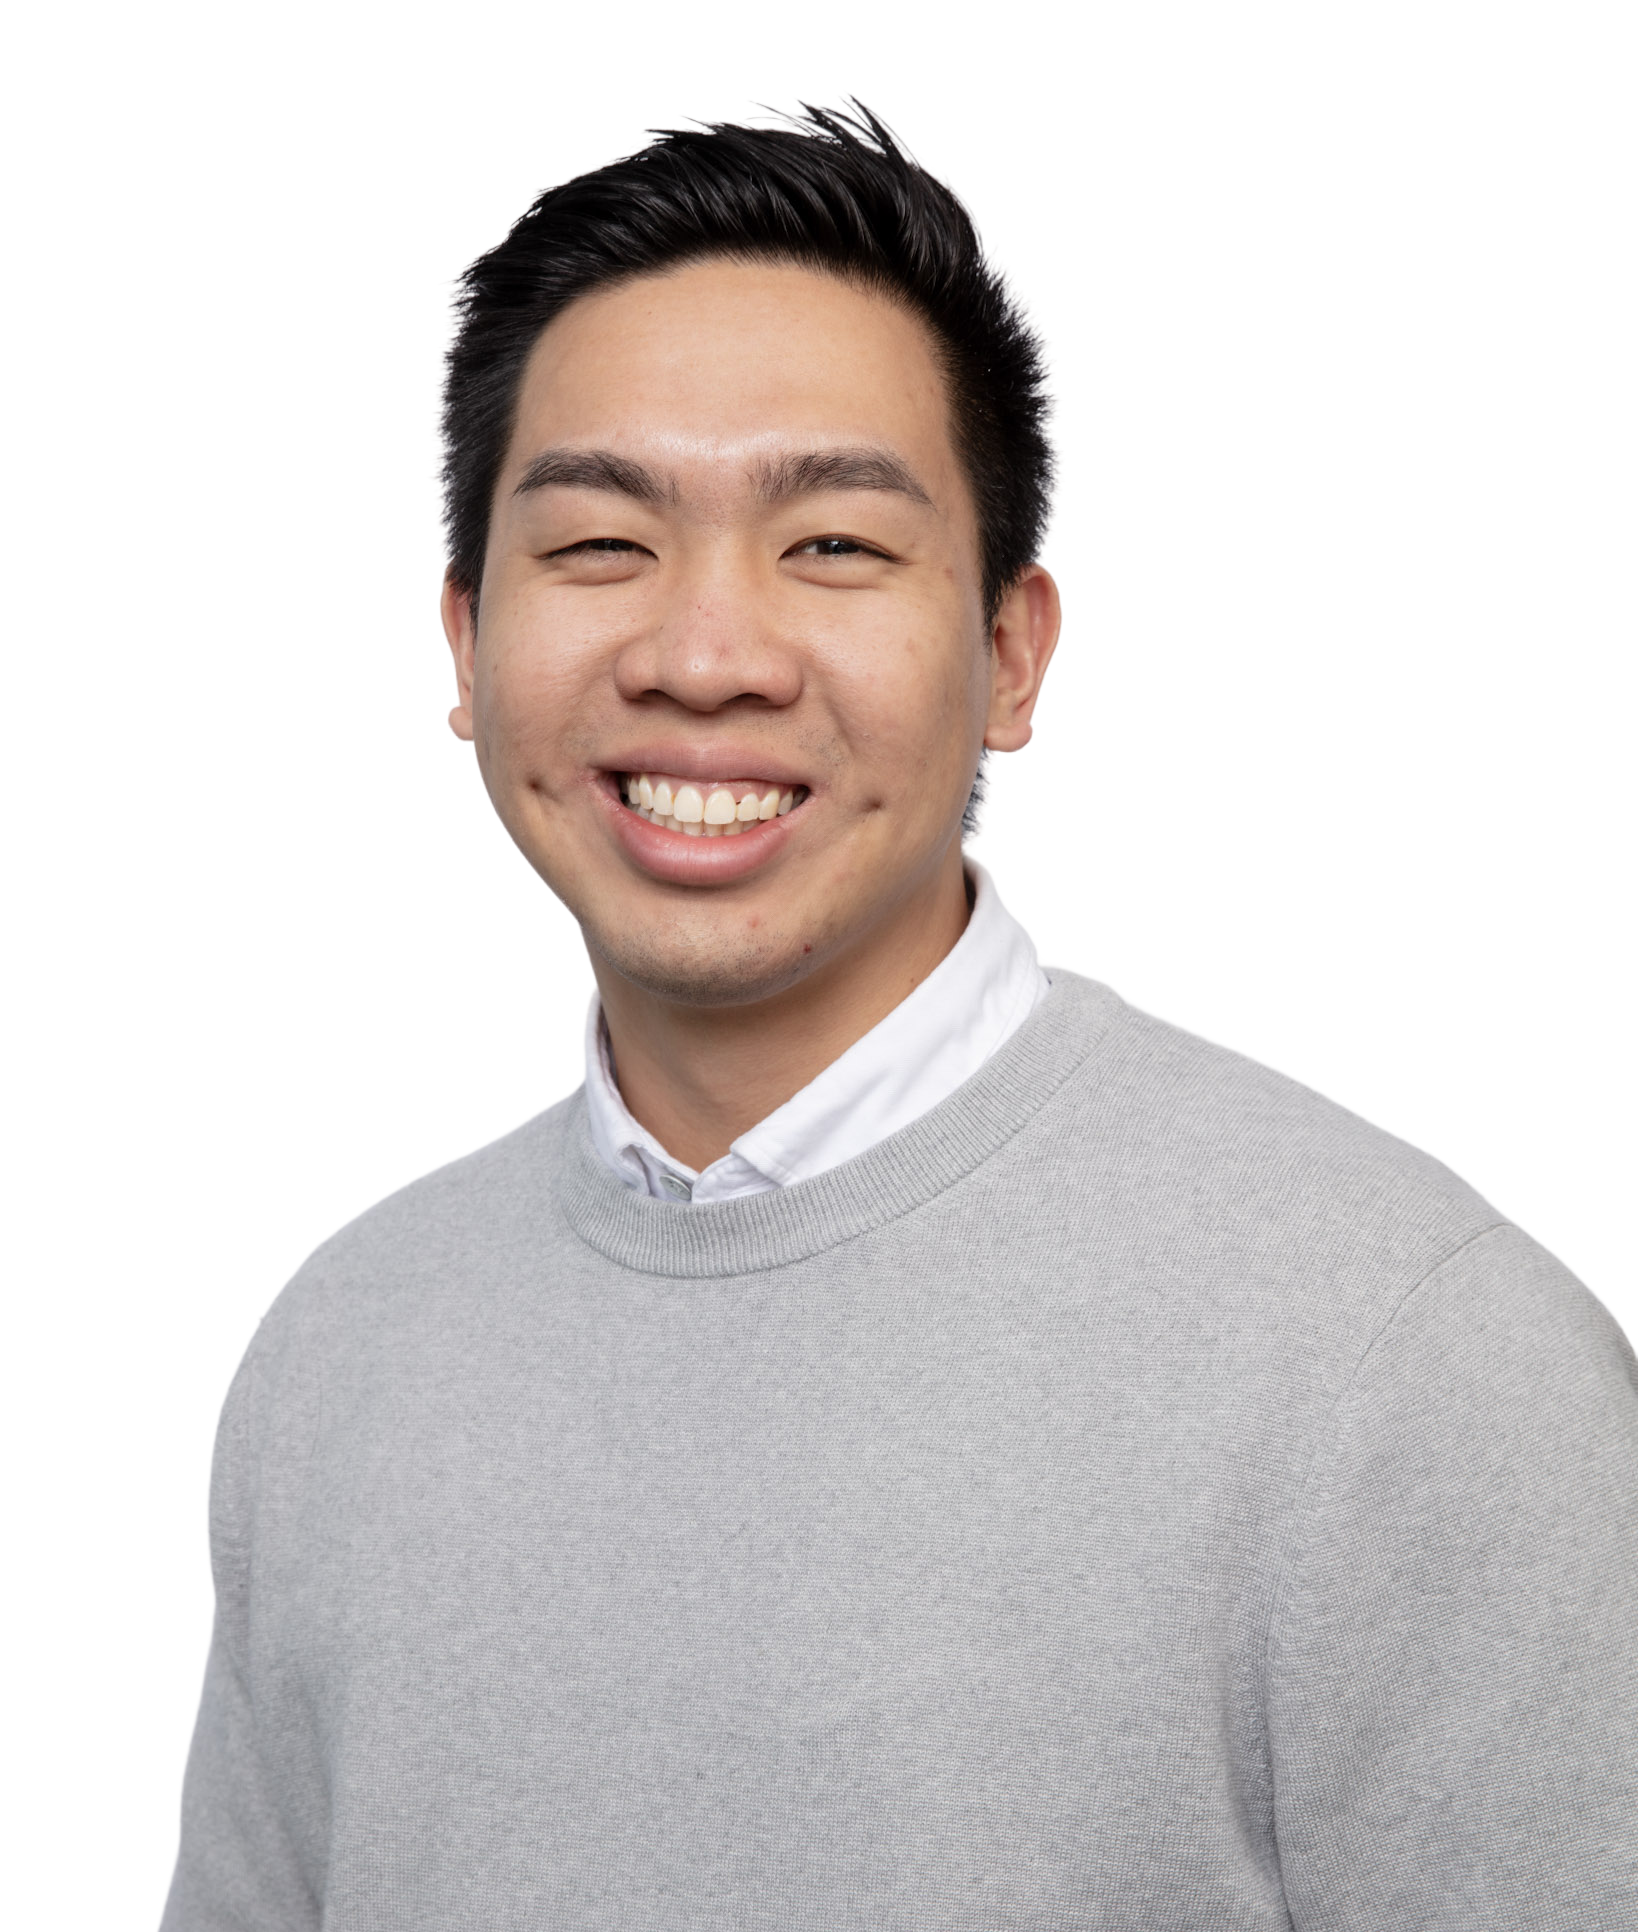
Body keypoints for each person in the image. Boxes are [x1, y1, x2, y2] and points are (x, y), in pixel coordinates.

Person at [160, 96, 1635, 1930]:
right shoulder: (339, 1343)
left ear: (1012, 655)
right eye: (601, 544)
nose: (704, 654)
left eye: (836, 548)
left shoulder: (1409, 1352)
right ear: (461, 645)